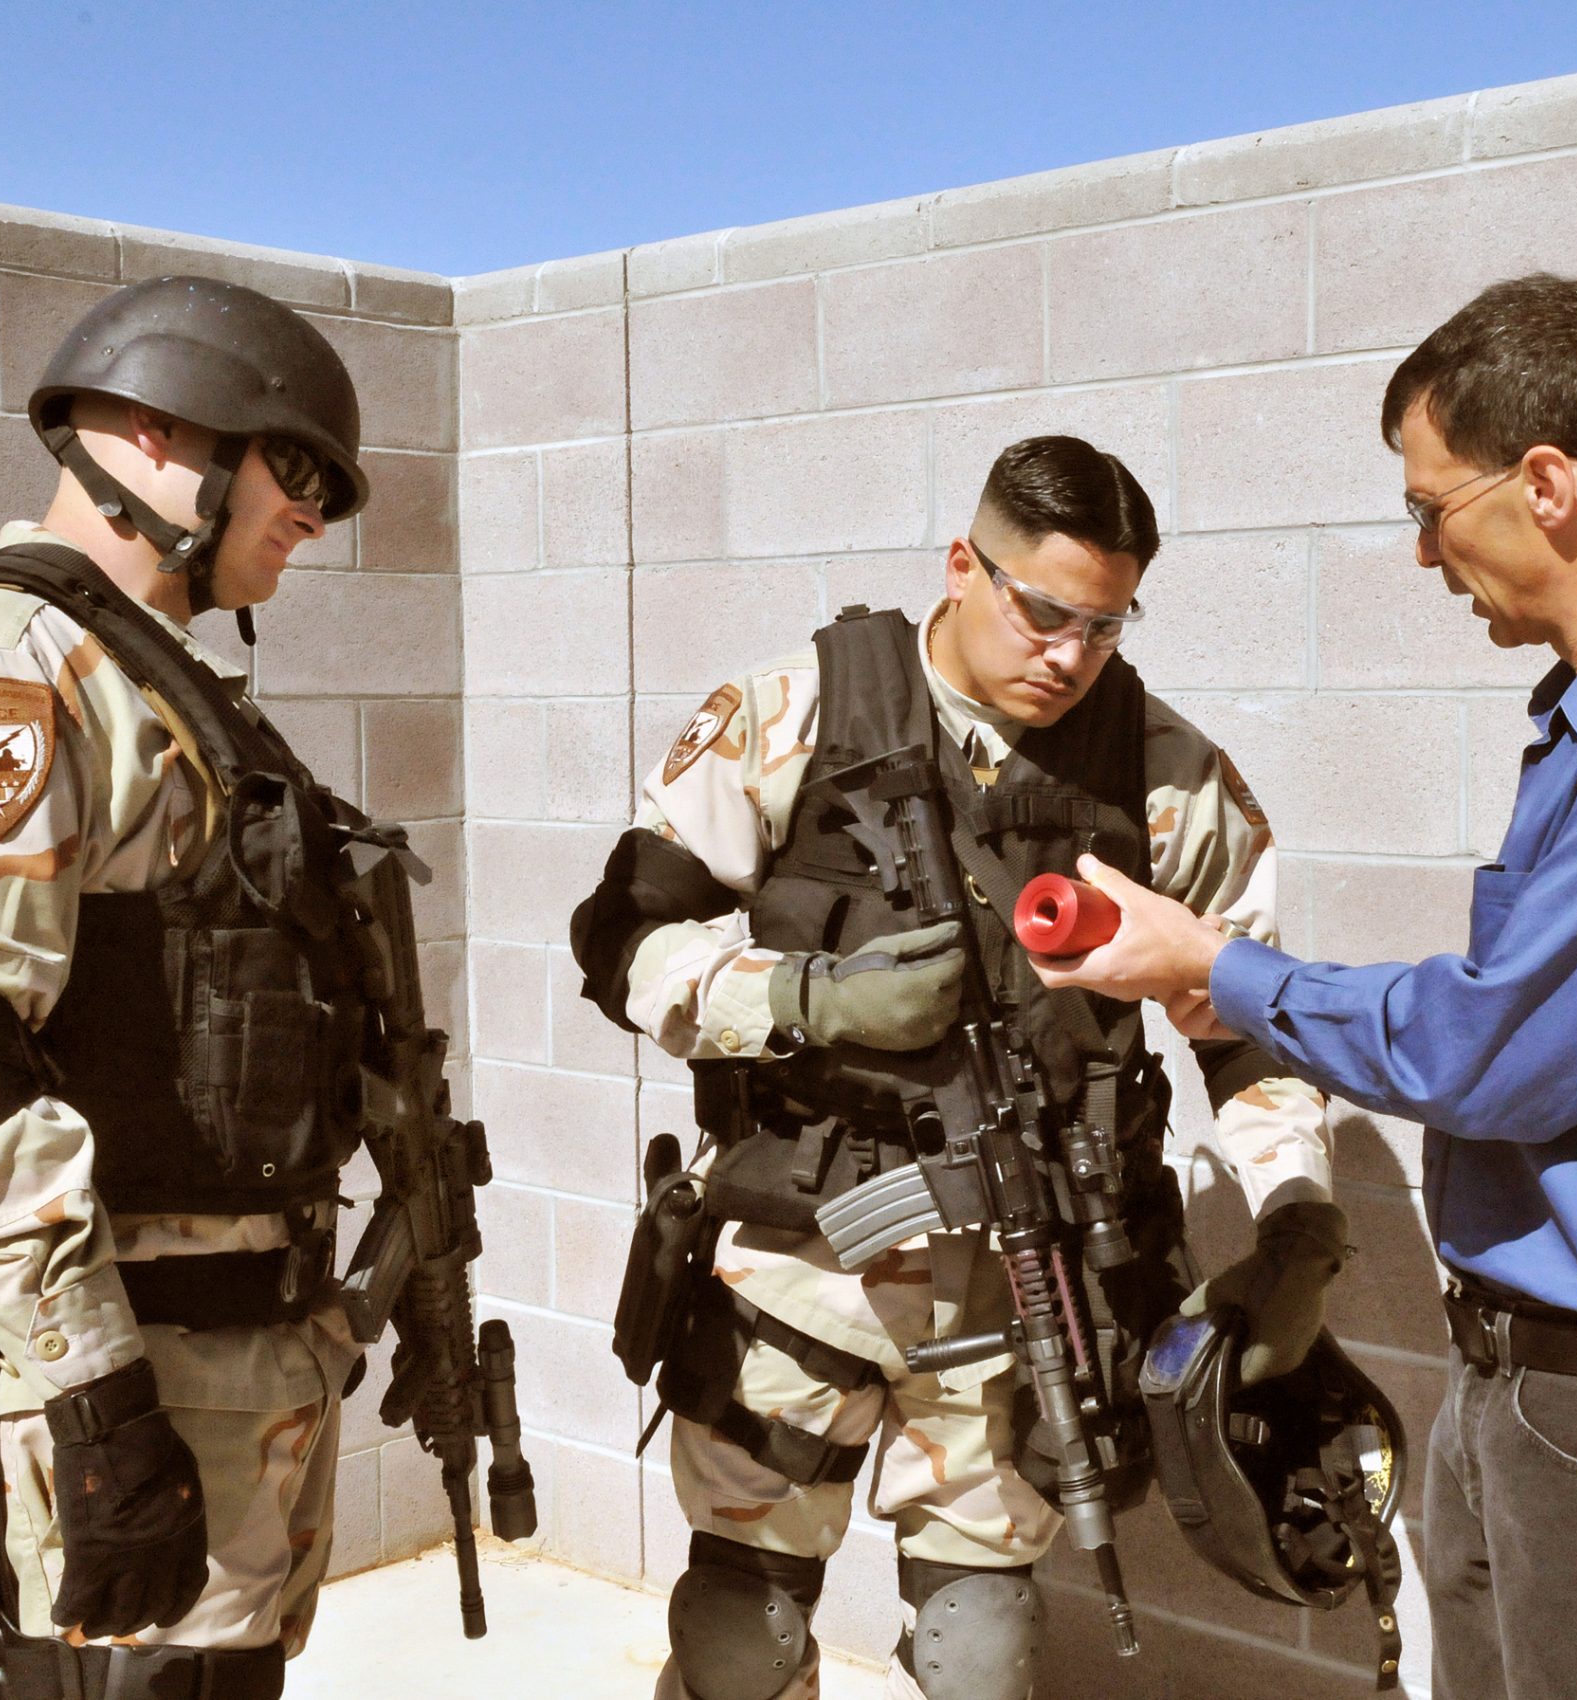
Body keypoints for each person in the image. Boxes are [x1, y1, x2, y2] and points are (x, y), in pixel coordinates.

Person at [1033, 274, 1577, 1700]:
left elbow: (1496, 1049)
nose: (1423, 551)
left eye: (1431, 506)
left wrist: (1214, 964)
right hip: (1546, 1397)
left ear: (1544, 485)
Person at [571, 436, 1344, 1700]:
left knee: (979, 1640)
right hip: (797, 1265)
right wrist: (800, 995)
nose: (1069, 655)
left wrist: (1298, 1212)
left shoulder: (1164, 770)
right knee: (738, 1625)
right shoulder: (790, 714)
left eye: (1105, 623)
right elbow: (621, 937)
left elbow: (1246, 1021)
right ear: (962, 565)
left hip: (1024, 1288)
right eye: (1043, 612)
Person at [0, 276, 410, 1700]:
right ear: (151, 431)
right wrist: (100, 1405)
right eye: (298, 466)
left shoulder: (159, 688)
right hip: (119, 1386)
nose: (318, 512)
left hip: (239, 1367)